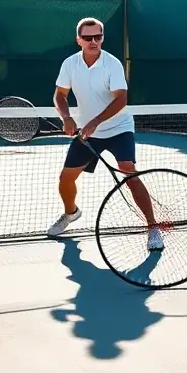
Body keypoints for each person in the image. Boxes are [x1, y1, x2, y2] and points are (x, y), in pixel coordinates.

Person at [46, 16, 163, 251]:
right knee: (65, 179)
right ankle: (71, 213)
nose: (93, 41)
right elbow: (60, 95)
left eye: (97, 37)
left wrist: (95, 122)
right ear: (79, 39)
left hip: (118, 128)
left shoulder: (112, 64)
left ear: (102, 38)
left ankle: (153, 228)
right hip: (89, 133)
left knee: (128, 170)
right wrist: (67, 118)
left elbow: (121, 99)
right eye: (87, 38)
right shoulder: (70, 64)